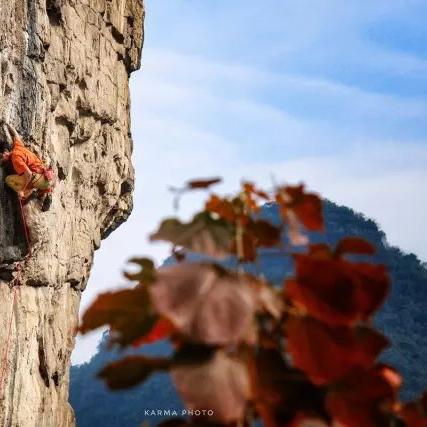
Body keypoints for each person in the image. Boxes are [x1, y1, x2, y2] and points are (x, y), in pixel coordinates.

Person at [1, 122, 53, 212]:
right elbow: (15, 134)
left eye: (1, 157)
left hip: (38, 179)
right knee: (30, 178)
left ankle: (30, 194)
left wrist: (22, 190)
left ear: (5, 152)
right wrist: (7, 124)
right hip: (45, 177)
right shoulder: (17, 146)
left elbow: (28, 174)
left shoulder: (16, 159)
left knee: (8, 179)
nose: (2, 160)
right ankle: (43, 194)